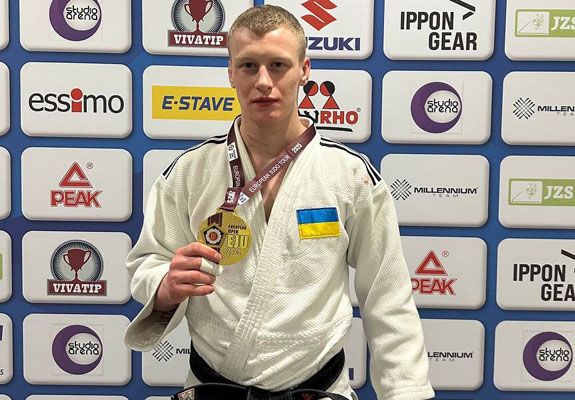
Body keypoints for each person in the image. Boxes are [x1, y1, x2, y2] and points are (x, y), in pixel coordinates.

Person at [124, 5, 434, 400]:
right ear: (231, 73)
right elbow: (148, 262)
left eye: (278, 65)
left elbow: (388, 296)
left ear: (304, 70)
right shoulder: (189, 173)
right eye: (248, 66)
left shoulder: (351, 175)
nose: (263, 82)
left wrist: (405, 392)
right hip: (215, 388)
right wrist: (165, 286)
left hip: (317, 390)